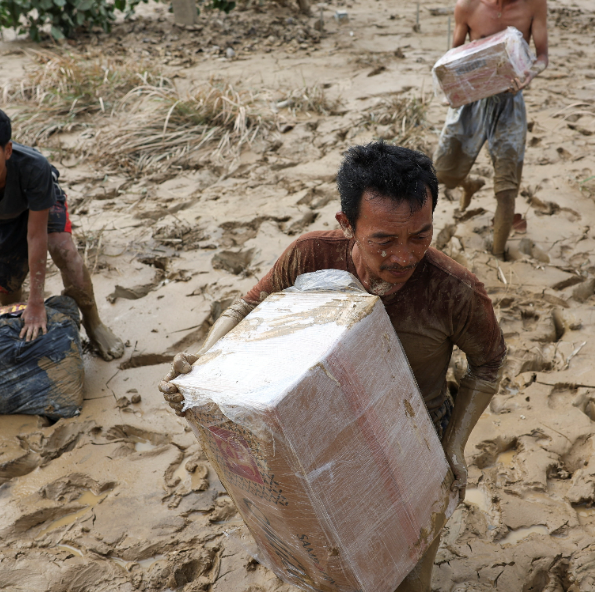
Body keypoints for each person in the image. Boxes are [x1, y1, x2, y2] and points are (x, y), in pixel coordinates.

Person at [159, 143, 506, 592]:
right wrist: (204, 365)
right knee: (331, 564)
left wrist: (454, 446)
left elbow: (489, 365)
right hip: (313, 435)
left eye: (420, 236)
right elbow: (245, 307)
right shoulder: (310, 255)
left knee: (407, 572)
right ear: (347, 225)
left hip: (413, 435)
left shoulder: (454, 290)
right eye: (383, 239)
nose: (404, 256)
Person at [0, 102, 125, 359]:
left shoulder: (33, 166)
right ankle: (13, 318)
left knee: (63, 249)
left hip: (36, 206)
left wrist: (37, 302)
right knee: (7, 285)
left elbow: (36, 234)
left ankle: (94, 322)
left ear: (7, 150)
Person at [432, 0, 548, 258]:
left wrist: (526, 75)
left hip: (510, 103)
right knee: (444, 174)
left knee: (507, 186)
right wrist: (450, 84)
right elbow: (450, 60)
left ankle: (498, 256)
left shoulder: (535, 3)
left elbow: (542, 57)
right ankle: (468, 184)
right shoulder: (467, 6)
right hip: (470, 101)